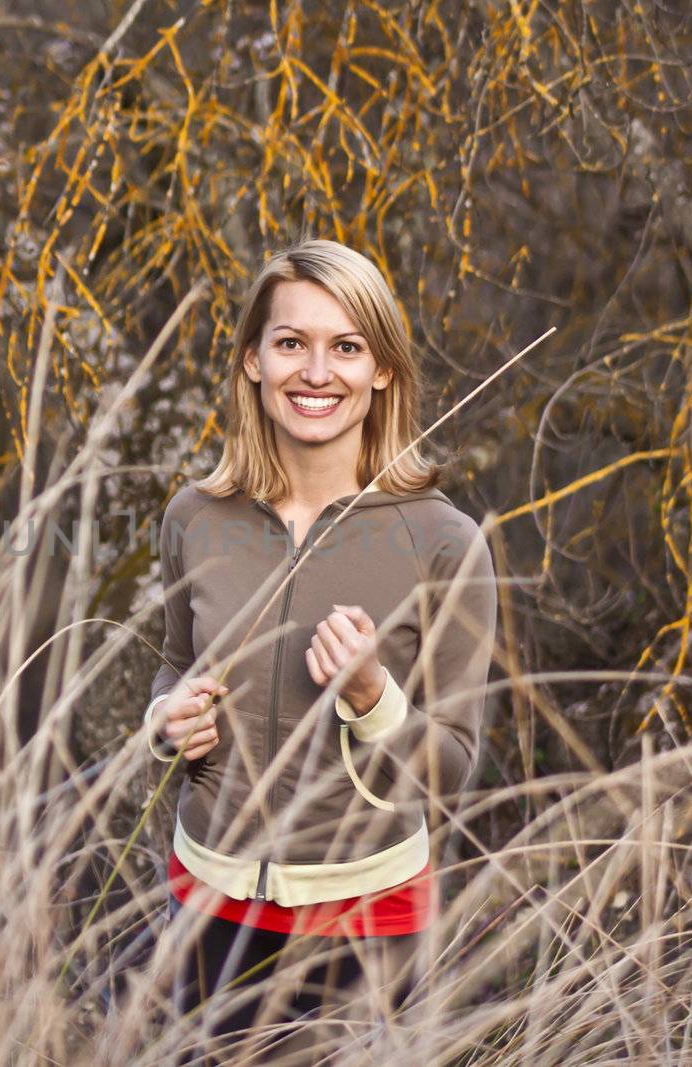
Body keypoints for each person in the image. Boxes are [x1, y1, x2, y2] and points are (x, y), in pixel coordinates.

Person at [142, 238, 502, 1063]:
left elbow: (453, 763)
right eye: (291, 342)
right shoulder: (196, 516)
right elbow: (171, 663)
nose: (317, 371)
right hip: (208, 908)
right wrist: (166, 721)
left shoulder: (443, 542)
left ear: (381, 371)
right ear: (253, 363)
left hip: (366, 926)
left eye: (346, 346)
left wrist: (375, 699)